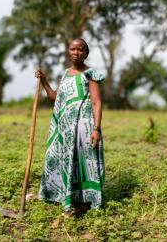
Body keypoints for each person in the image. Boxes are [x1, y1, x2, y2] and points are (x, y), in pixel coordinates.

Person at [34, 39, 105, 216]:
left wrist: (96, 129)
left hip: (84, 126)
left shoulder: (90, 74)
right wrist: (44, 81)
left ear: (86, 53)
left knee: (82, 162)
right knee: (59, 157)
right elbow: (54, 97)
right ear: (68, 51)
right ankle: (61, 195)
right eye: (73, 49)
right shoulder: (66, 74)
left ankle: (83, 204)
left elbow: (96, 103)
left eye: (80, 50)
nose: (76, 52)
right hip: (65, 128)